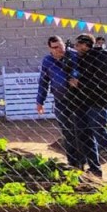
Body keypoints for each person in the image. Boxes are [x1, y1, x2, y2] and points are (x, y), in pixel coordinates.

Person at [69, 34, 107, 183]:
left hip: (98, 103)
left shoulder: (102, 59)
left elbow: (102, 83)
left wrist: (79, 84)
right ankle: (95, 170)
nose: (76, 48)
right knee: (85, 136)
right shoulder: (81, 59)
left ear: (86, 45)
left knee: (102, 136)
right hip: (82, 103)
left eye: (78, 45)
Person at [36, 35, 83, 169]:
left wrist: (76, 77)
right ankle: (72, 162)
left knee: (80, 130)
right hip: (60, 100)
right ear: (50, 49)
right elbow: (43, 81)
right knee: (66, 130)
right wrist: (40, 101)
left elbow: (81, 70)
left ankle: (83, 162)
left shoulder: (74, 55)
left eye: (61, 46)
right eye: (55, 48)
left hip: (77, 99)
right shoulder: (48, 61)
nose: (59, 50)